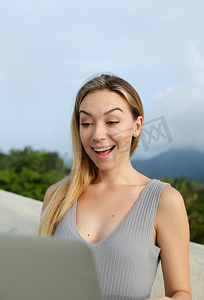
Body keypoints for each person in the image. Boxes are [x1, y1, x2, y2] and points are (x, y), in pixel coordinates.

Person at [39, 74, 191, 300]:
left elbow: (181, 293)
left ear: (137, 126)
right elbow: (39, 281)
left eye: (111, 122)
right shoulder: (57, 196)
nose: (98, 135)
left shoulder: (164, 201)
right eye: (87, 123)